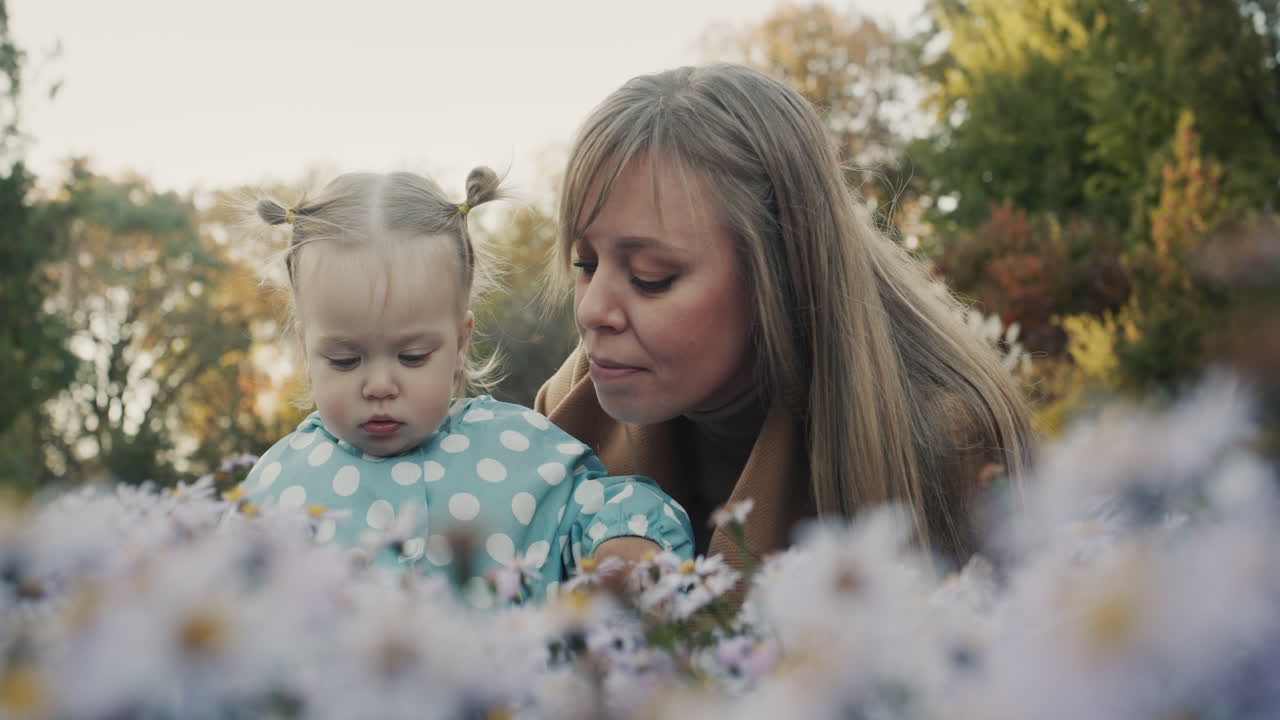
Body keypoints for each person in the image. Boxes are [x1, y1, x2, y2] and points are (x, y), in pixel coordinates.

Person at [535, 64, 1034, 570]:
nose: (592, 311)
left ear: (781, 270)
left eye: (650, 276)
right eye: (586, 264)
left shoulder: (941, 441)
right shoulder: (569, 413)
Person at [236, 168, 693, 602]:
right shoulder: (279, 481)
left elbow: (608, 506)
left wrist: (626, 542)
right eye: (344, 359)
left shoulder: (520, 450)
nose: (378, 385)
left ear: (459, 343)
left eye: (412, 357)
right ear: (306, 350)